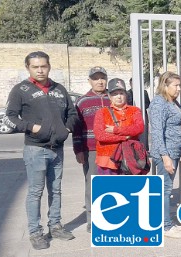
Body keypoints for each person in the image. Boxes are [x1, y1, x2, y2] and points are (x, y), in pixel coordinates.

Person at [6, 51, 78, 250]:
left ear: (49, 66)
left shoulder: (59, 89)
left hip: (57, 149)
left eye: (43, 66)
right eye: (35, 66)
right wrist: (31, 127)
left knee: (56, 189)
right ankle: (35, 232)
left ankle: (55, 226)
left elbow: (72, 113)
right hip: (35, 149)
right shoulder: (21, 90)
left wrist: (68, 127)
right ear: (28, 68)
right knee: (36, 192)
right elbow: (11, 116)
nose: (40, 70)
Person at [149, 71, 181, 238]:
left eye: (179, 85)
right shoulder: (159, 104)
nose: (179, 89)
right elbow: (157, 132)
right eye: (176, 85)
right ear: (165, 86)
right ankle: (165, 226)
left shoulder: (172, 102)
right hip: (166, 153)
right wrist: (165, 157)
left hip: (174, 150)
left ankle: (167, 221)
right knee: (165, 189)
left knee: (166, 188)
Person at [72, 66, 110, 233]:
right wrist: (78, 149)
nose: (100, 81)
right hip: (91, 149)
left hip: (114, 148)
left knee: (114, 183)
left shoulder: (114, 97)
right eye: (96, 78)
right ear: (89, 81)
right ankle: (92, 218)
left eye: (102, 77)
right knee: (93, 184)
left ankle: (111, 214)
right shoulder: (82, 101)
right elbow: (76, 128)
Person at [93, 78, 144, 175]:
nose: (119, 97)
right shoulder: (102, 112)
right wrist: (125, 137)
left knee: (130, 189)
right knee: (108, 190)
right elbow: (100, 135)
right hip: (107, 160)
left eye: (121, 93)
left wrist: (115, 130)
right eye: (115, 94)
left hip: (130, 159)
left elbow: (139, 128)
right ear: (109, 96)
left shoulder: (135, 111)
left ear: (126, 94)